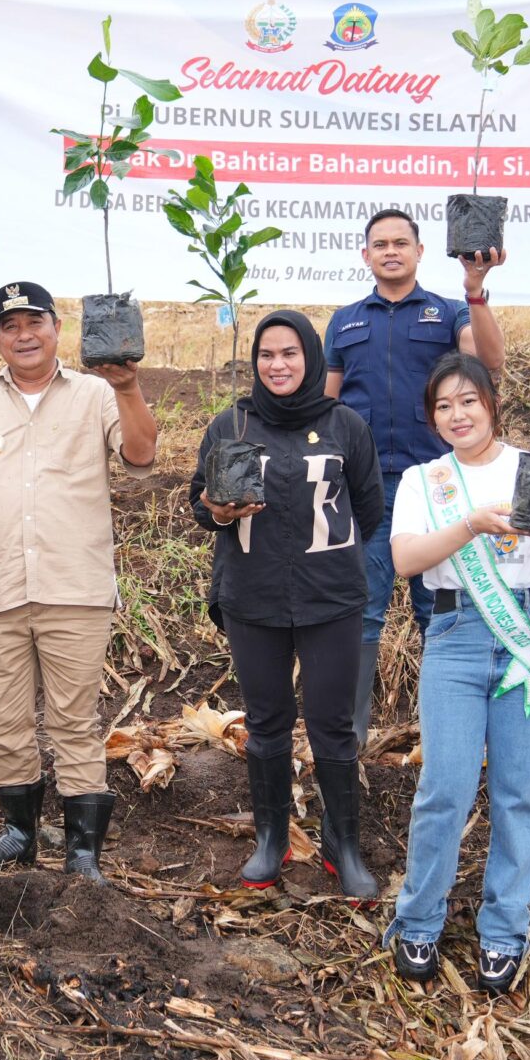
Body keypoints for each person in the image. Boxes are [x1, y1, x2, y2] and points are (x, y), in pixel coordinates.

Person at [0, 280, 160, 880]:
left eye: (35, 323)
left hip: (73, 587)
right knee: (2, 715)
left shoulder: (96, 395)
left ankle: (83, 853)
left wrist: (129, 388)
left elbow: (140, 456)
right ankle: (20, 834)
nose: (24, 335)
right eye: (10, 327)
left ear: (58, 328)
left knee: (72, 718)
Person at [384, 353, 530, 994]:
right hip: (454, 635)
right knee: (443, 787)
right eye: (443, 406)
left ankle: (503, 932)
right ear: (432, 417)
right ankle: (418, 920)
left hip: (527, 636)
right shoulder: (425, 480)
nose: (457, 414)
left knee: (519, 793)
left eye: (468, 400)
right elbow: (404, 560)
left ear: (491, 402)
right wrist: (471, 523)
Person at [188, 310, 385, 896]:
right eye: (267, 355)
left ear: (312, 359)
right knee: (268, 721)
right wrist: (221, 512)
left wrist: (322, 555)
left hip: (331, 598)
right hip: (255, 595)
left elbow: (368, 508)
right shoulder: (232, 424)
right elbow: (202, 502)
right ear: (254, 362)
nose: (278, 365)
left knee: (333, 724)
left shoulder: (345, 424)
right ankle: (271, 840)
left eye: (291, 354)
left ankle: (341, 846)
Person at [323, 207, 507, 749]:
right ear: (366, 255)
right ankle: (348, 743)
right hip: (367, 488)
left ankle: (450, 737)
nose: (390, 251)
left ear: (420, 251)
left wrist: (476, 290)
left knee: (441, 611)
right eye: (379, 244)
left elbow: (490, 360)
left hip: (438, 488)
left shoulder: (447, 313)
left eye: (401, 242)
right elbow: (328, 403)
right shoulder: (345, 321)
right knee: (363, 614)